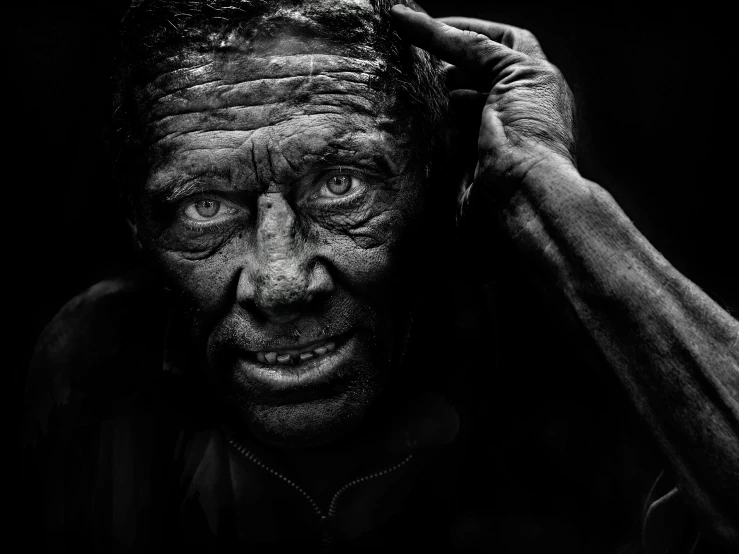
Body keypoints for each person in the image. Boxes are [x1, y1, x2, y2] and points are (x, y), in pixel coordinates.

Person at [21, 0, 738, 552]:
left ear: (433, 179)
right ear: (139, 230)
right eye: (204, 205)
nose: (281, 283)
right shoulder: (102, 362)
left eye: (340, 185)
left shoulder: (581, 355)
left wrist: (537, 184)